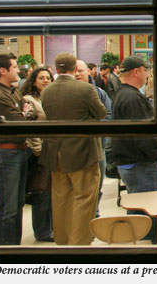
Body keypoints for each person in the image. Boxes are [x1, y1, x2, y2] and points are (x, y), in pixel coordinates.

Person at [40, 53, 107, 245]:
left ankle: (62, 242)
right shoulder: (85, 89)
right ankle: (79, 245)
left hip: (55, 151)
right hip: (82, 151)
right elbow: (101, 112)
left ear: (56, 69)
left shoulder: (47, 91)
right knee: (85, 198)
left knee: (60, 198)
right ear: (74, 69)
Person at [111, 56, 157, 244]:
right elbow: (144, 137)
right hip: (141, 165)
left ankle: (134, 239)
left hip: (131, 163)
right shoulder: (133, 98)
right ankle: (149, 246)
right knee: (149, 211)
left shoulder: (122, 94)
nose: (148, 74)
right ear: (136, 72)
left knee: (137, 206)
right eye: (146, 70)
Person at [0, 53, 32, 245]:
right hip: (6, 153)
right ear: (3, 70)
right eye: (15, 67)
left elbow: (27, 113)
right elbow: (19, 120)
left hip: (20, 150)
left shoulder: (12, 91)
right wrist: (23, 113)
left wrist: (24, 113)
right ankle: (2, 252)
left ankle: (15, 248)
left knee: (17, 204)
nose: (19, 70)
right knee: (6, 206)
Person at [20, 66, 55, 242]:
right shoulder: (28, 100)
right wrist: (38, 151)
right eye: (41, 78)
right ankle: (42, 231)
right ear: (34, 81)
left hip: (50, 152)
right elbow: (29, 128)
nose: (45, 80)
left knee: (49, 192)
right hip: (37, 153)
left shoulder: (49, 98)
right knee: (40, 192)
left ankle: (49, 227)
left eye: (48, 77)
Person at [75, 60, 112, 219]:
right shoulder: (69, 94)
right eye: (75, 71)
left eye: (81, 71)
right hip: (76, 149)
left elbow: (109, 115)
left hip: (98, 147)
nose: (77, 74)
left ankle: (94, 215)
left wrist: (94, 125)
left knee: (97, 186)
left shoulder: (99, 92)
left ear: (89, 72)